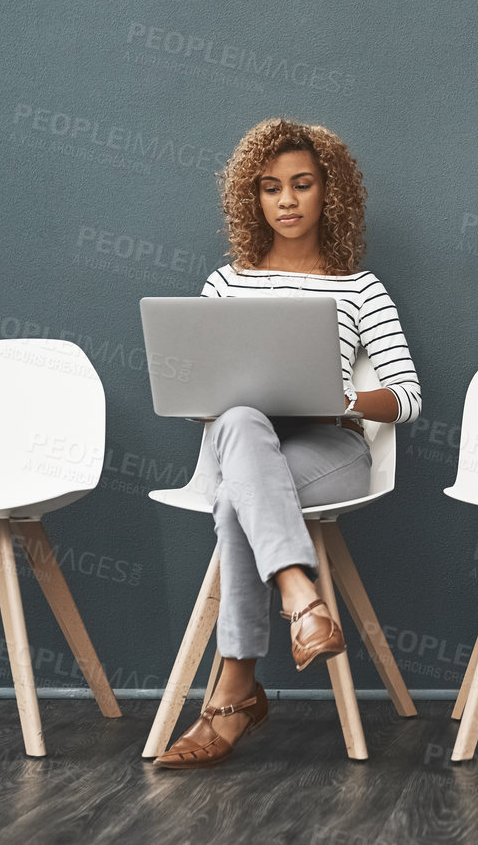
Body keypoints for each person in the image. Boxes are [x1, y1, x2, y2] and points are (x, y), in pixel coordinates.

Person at [155, 117, 422, 769]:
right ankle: (301, 598)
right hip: (242, 444)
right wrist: (215, 398)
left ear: (329, 193)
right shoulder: (224, 284)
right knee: (241, 420)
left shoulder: (360, 288)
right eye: (271, 187)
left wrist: (345, 400)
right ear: (253, 197)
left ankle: (235, 694)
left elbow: (408, 396)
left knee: (235, 505)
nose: (287, 199)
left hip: (330, 451)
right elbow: (198, 391)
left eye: (302, 184)